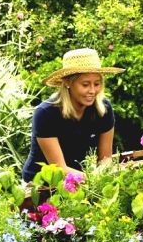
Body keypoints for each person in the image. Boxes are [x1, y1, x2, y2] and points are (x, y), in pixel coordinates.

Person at [21, 48, 124, 182]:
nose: (92, 91)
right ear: (68, 82)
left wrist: (101, 175)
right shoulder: (46, 114)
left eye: (97, 84)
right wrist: (93, 179)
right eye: (85, 85)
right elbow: (59, 169)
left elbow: (105, 158)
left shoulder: (103, 109)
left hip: (82, 179)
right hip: (41, 184)